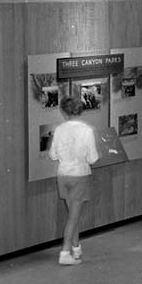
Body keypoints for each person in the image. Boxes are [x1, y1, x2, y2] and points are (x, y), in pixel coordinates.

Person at [48, 96, 100, 265]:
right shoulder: (87, 130)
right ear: (81, 110)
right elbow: (92, 158)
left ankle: (76, 248)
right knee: (74, 217)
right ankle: (64, 252)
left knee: (72, 215)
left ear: (64, 111)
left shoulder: (59, 129)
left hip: (63, 175)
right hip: (80, 175)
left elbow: (52, 154)